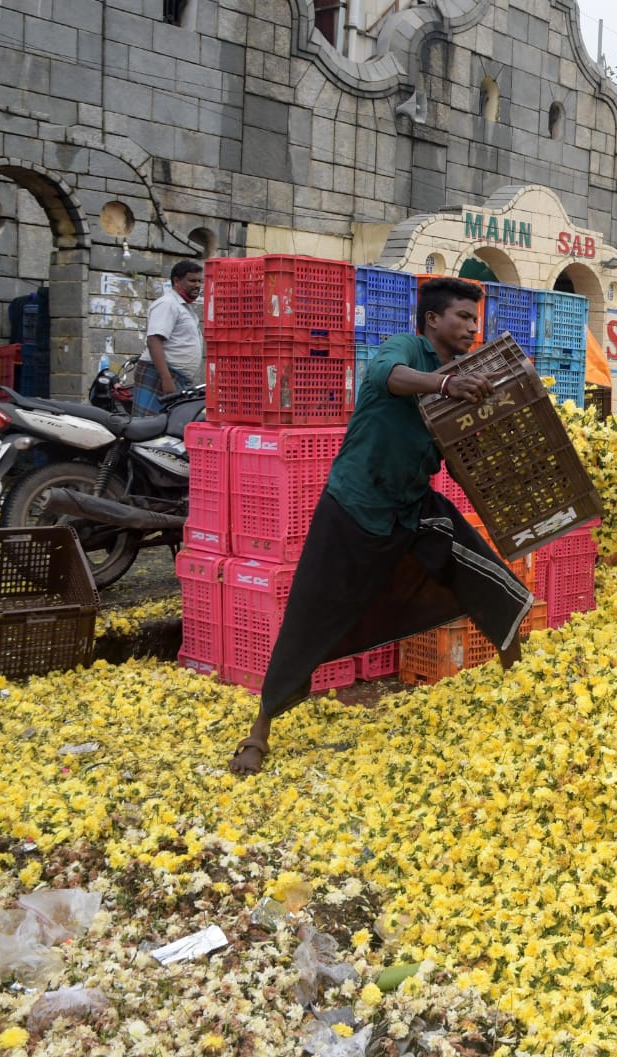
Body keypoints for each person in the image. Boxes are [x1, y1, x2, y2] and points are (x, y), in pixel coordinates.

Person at [228, 278, 532, 775]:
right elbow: (384, 373)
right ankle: (259, 730)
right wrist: (444, 385)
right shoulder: (409, 350)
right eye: (463, 317)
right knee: (310, 614)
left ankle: (523, 697)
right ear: (433, 320)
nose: (472, 329)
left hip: (414, 507)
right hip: (355, 505)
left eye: (476, 320)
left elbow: (458, 452)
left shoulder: (459, 375)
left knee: (493, 580)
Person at [136, 260, 205, 415]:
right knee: (148, 427)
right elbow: (154, 340)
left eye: (200, 281)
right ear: (177, 281)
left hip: (176, 377)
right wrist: (166, 379)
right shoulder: (168, 304)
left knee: (169, 426)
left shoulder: (184, 307)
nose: (197, 285)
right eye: (192, 281)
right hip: (160, 376)